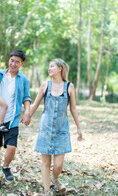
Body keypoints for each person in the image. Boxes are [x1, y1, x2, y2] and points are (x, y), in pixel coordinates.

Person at [30, 58, 83, 196]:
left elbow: (73, 109)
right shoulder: (45, 85)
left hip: (62, 130)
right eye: (49, 66)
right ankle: (47, 191)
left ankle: (55, 178)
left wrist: (79, 128)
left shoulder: (69, 86)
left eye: (52, 66)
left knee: (58, 165)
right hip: (46, 128)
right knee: (46, 163)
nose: (49, 69)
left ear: (60, 68)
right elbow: (35, 104)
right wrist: (27, 116)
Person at [0, 49, 31, 191]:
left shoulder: (23, 79)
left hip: (12, 118)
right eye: (12, 60)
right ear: (9, 60)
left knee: (11, 147)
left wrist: (27, 112)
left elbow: (26, 97)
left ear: (21, 64)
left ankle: (5, 166)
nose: (13, 64)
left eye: (17, 62)